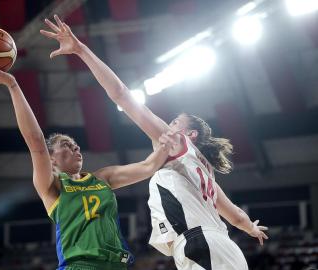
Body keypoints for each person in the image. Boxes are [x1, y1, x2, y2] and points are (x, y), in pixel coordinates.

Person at [41, 15, 269, 270]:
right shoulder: (207, 175)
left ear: (189, 135)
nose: (166, 126)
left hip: (200, 243)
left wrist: (81, 49)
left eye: (173, 122)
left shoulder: (178, 143)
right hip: (226, 247)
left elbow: (121, 94)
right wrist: (250, 227)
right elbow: (236, 216)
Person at [0, 61, 173, 270]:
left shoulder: (103, 177)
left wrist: (166, 143)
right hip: (80, 265)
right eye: (67, 145)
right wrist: (13, 85)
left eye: (77, 146)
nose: (76, 149)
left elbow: (148, 166)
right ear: (52, 158)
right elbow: (36, 141)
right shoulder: (52, 186)